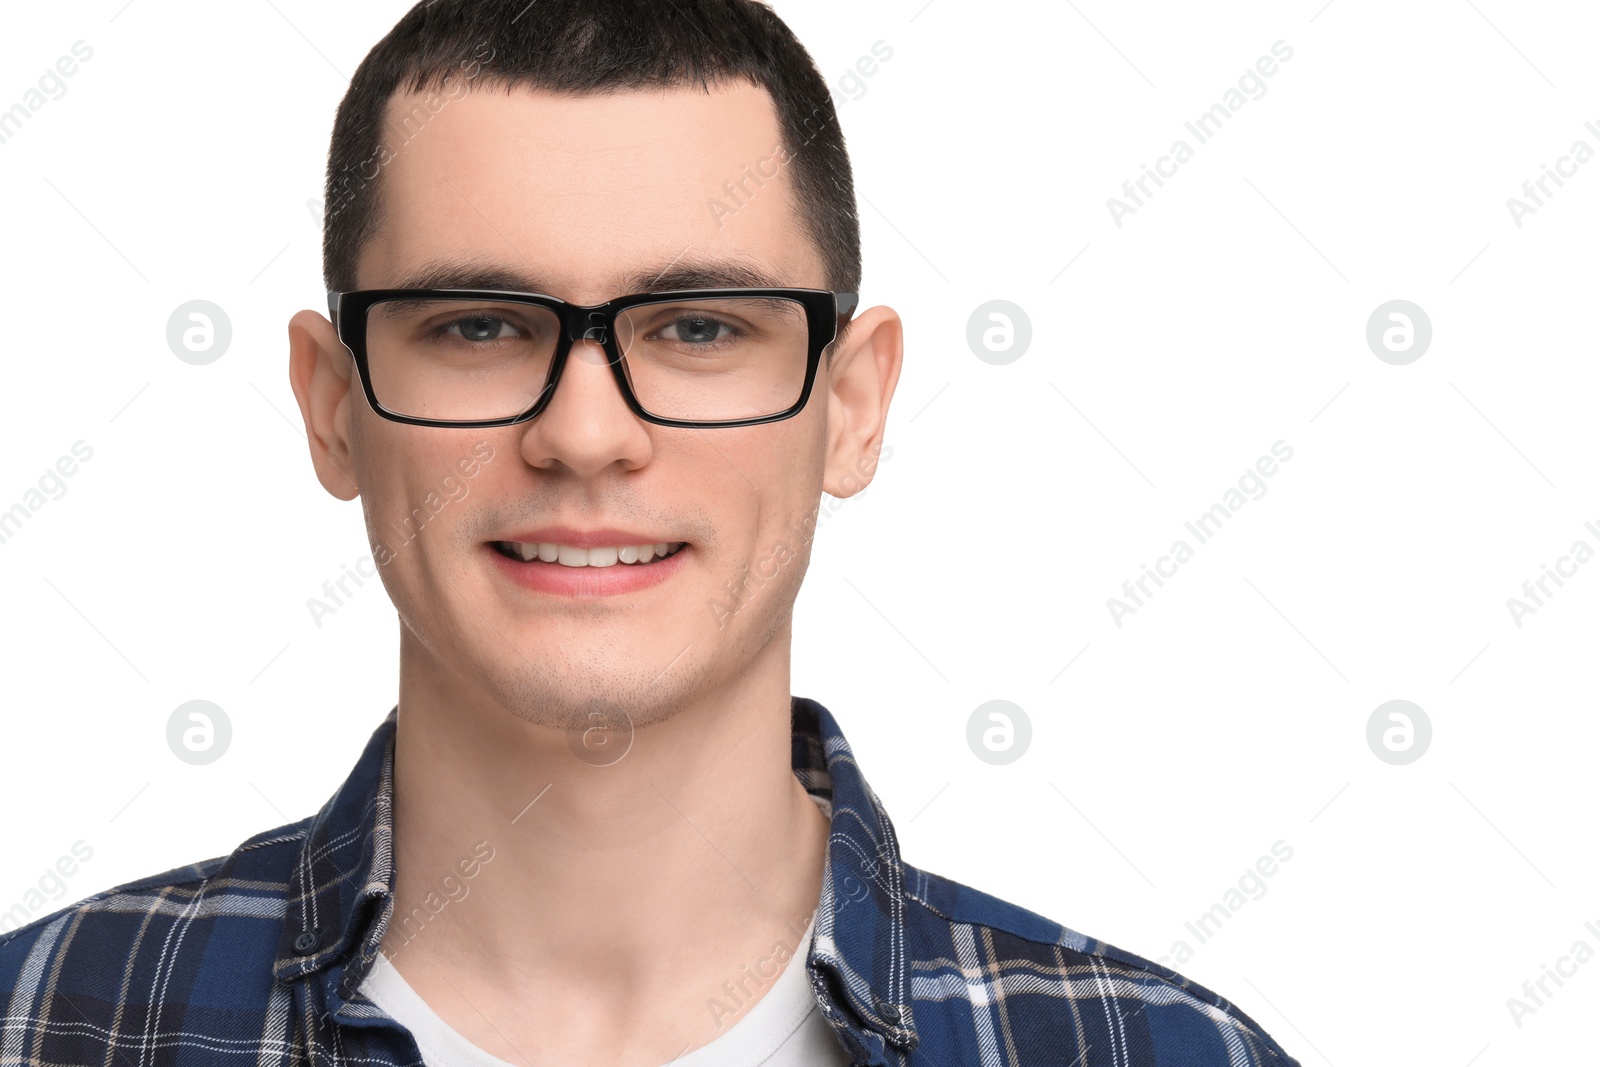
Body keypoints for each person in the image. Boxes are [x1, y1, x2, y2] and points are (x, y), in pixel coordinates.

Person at [0, 2, 1301, 1064]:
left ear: (852, 408)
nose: (585, 434)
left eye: (696, 329)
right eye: (476, 325)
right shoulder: (39, 1027)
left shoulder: (1164, 1055)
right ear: (332, 409)